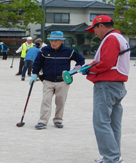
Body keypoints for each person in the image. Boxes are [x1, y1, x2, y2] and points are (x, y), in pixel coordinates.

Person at [82, 15, 129, 163]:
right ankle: (114, 156)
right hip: (118, 84)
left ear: (101, 26)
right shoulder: (120, 38)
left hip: (107, 84)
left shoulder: (110, 38)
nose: (95, 33)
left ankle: (111, 158)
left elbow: (106, 63)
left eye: (94, 29)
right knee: (113, 123)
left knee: (101, 122)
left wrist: (90, 69)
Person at [29, 31, 85, 130]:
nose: (53, 43)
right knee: (46, 100)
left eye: (56, 41)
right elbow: (37, 63)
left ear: (61, 41)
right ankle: (43, 121)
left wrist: (74, 71)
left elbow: (81, 60)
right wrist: (34, 74)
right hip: (47, 80)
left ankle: (58, 119)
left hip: (63, 81)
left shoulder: (69, 51)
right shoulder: (44, 51)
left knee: (60, 102)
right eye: (51, 41)